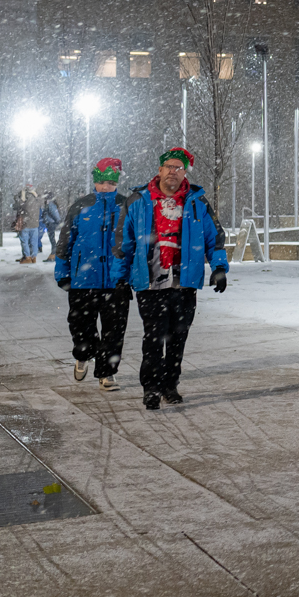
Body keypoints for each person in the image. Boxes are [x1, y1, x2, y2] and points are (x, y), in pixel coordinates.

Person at [117, 148, 228, 410]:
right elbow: (123, 243)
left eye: (179, 168)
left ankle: (170, 386)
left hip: (184, 283)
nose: (173, 172)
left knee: (178, 338)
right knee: (154, 337)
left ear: (184, 172)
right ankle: (151, 388)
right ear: (160, 170)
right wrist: (120, 278)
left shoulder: (197, 202)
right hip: (150, 282)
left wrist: (219, 268)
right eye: (169, 167)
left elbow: (215, 239)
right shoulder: (138, 201)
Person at [56, 158, 132, 391]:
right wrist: (62, 272)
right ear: (95, 182)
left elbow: (135, 242)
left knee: (114, 331)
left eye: (111, 182)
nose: (106, 187)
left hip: (116, 281)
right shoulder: (81, 206)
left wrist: (133, 275)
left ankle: (107, 373)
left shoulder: (126, 205)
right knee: (80, 326)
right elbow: (65, 240)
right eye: (102, 182)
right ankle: (83, 354)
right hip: (83, 280)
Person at [12, 182, 42, 263]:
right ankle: (34, 257)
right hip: (35, 224)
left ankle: (27, 257)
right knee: (34, 241)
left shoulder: (23, 198)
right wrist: (35, 194)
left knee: (24, 241)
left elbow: (18, 206)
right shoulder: (37, 199)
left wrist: (22, 196)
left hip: (25, 224)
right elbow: (41, 202)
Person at [40, 192, 63, 261]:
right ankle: (54, 253)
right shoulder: (50, 204)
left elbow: (54, 213)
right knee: (52, 239)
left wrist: (57, 221)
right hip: (50, 222)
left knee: (52, 239)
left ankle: (54, 254)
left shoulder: (50, 204)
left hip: (51, 223)